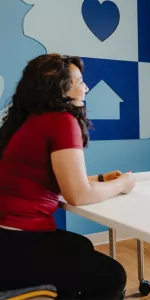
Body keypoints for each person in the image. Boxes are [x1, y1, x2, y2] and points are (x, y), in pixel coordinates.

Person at [0, 54, 136, 300]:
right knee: (112, 275)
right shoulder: (61, 121)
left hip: (7, 237)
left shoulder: (27, 120)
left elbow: (52, 180)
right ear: (59, 87)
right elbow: (78, 194)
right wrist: (122, 184)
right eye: (79, 81)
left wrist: (103, 179)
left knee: (81, 245)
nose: (85, 87)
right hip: (18, 242)